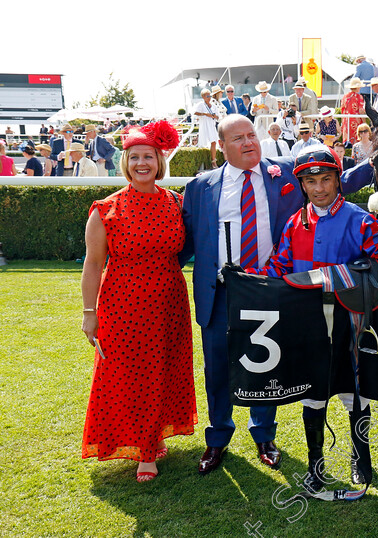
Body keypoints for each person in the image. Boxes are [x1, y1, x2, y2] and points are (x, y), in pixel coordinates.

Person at [249, 145, 378, 493]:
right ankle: (315, 464)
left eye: (326, 179)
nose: (319, 188)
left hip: (350, 325)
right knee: (312, 395)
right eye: (311, 181)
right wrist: (248, 279)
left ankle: (361, 458)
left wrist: (340, 277)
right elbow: (278, 269)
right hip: (309, 324)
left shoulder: (360, 219)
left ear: (337, 180)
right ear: (302, 184)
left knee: (353, 395)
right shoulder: (293, 223)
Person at [179, 115, 306, 476]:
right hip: (219, 292)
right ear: (222, 146)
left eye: (253, 135)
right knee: (217, 369)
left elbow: (333, 181)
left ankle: (264, 435)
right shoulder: (201, 186)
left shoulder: (285, 172)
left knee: (264, 366)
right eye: (238, 138)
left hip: (268, 291)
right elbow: (185, 241)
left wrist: (376, 163)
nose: (249, 142)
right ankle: (217, 438)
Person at [80, 120, 196, 482]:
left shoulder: (176, 204)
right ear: (125, 162)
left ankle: (154, 436)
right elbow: (93, 264)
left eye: (149, 156)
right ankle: (145, 452)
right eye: (134, 158)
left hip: (169, 302)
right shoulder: (106, 209)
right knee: (129, 375)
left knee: (164, 370)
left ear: (160, 162)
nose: (141, 164)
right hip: (123, 304)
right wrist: (89, 313)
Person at [193, 88, 221, 168]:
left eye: (210, 95)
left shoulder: (214, 106)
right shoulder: (200, 105)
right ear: (203, 97)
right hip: (204, 125)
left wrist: (215, 116)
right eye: (207, 96)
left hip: (211, 125)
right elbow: (195, 112)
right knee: (203, 143)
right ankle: (203, 163)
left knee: (214, 142)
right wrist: (205, 114)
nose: (209, 97)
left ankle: (213, 161)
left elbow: (218, 116)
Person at [341, 78, 366, 145]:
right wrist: (364, 122)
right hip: (356, 121)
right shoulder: (359, 97)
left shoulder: (345, 97)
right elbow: (361, 110)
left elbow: (342, 110)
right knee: (357, 141)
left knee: (347, 142)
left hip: (346, 121)